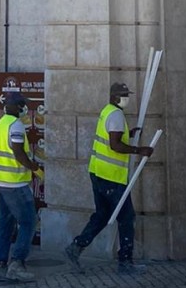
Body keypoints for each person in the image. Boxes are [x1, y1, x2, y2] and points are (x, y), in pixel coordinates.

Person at [65, 78, 154, 275]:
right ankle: (125, 262)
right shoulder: (115, 115)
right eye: (123, 96)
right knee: (126, 217)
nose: (126, 99)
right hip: (110, 177)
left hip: (98, 172)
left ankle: (76, 247)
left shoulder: (108, 111)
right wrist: (139, 150)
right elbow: (115, 145)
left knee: (102, 215)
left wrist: (127, 134)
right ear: (114, 97)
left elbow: (112, 138)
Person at [0, 91, 42, 284]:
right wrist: (35, 168)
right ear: (15, 106)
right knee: (29, 221)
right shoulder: (16, 125)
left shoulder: (0, 124)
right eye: (21, 105)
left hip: (0, 181)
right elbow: (19, 153)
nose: (24, 109)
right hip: (15, 182)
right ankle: (17, 264)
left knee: (5, 223)